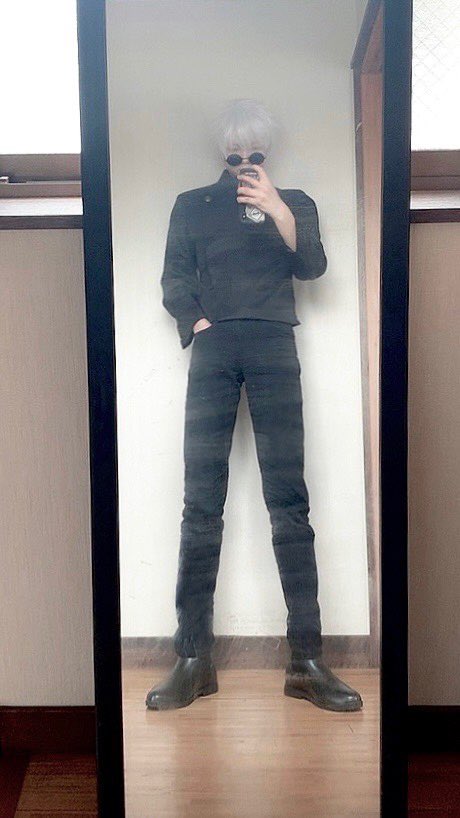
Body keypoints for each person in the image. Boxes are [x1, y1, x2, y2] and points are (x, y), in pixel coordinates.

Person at [146, 99, 362, 712]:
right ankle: (193, 659)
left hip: (273, 346)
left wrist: (276, 209)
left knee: (289, 501)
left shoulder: (294, 203)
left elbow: (312, 265)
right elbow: (174, 279)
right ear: (223, 153)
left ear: (269, 154)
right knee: (200, 503)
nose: (246, 163)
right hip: (214, 349)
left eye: (256, 154)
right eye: (236, 154)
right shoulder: (192, 205)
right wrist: (200, 323)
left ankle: (306, 661)